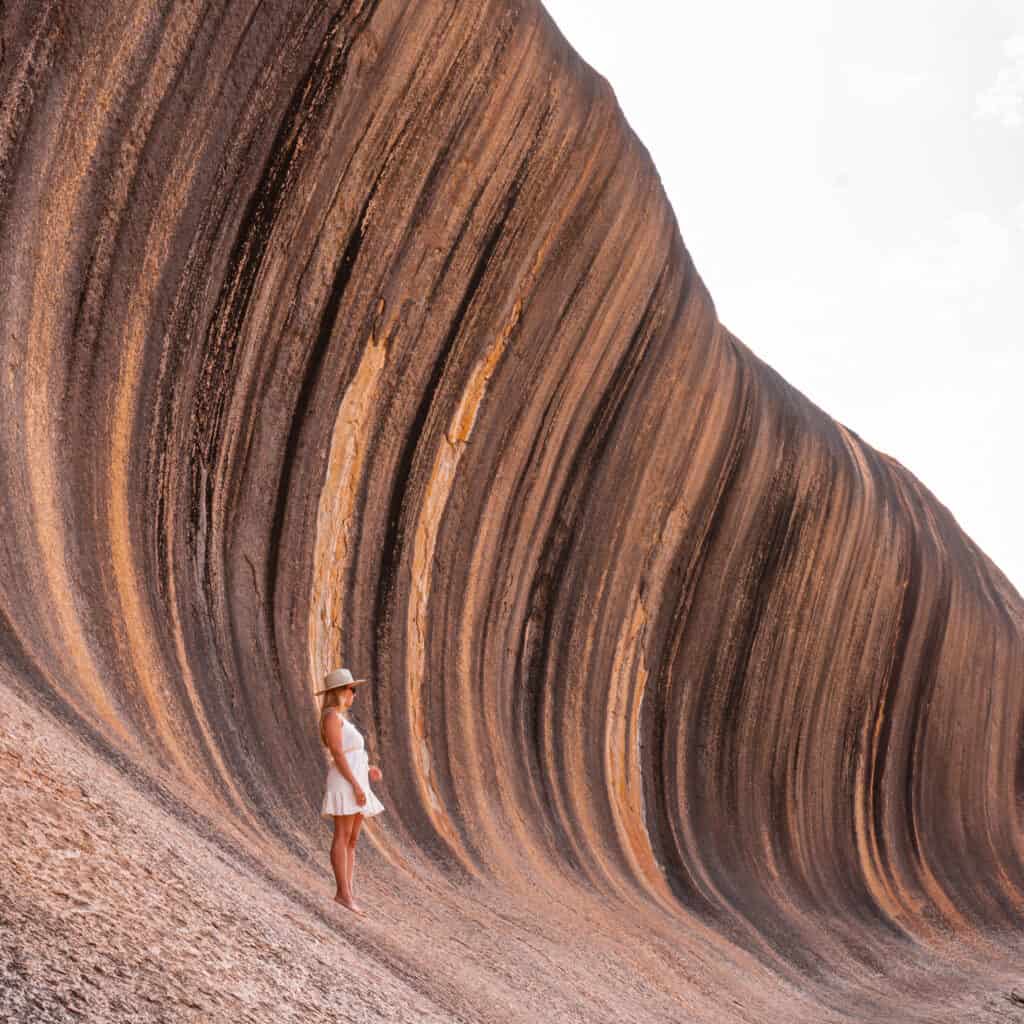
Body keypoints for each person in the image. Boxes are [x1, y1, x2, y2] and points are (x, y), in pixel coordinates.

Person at [316, 667, 385, 913]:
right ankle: (343, 893)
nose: (354, 695)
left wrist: (368, 770)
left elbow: (351, 755)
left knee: (352, 840)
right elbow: (336, 753)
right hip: (346, 783)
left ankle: (348, 892)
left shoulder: (341, 719)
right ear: (340, 691)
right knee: (343, 836)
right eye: (352, 690)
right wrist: (356, 785)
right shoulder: (331, 716)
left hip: (355, 780)